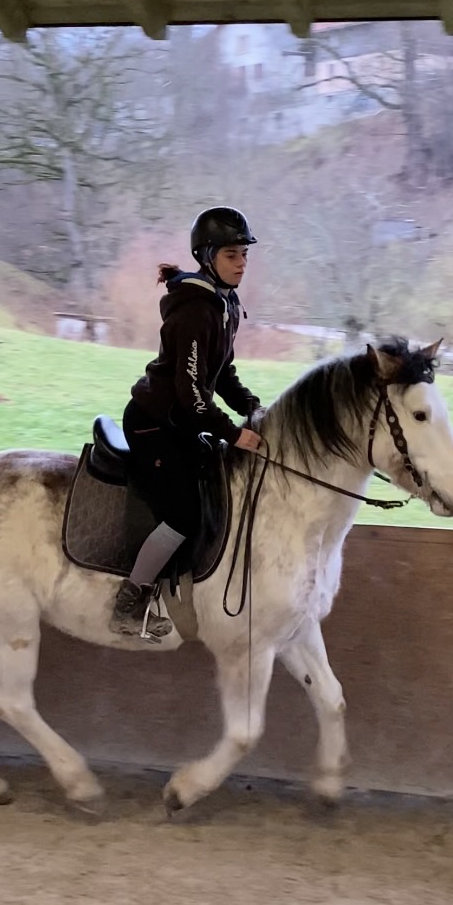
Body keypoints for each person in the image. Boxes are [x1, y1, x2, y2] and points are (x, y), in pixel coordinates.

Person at [110, 206, 265, 641]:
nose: (242, 263)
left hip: (181, 420)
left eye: (244, 255)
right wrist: (234, 434)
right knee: (183, 514)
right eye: (232, 255)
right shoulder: (196, 311)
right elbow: (192, 394)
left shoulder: (224, 305)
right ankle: (130, 602)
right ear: (207, 256)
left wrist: (252, 408)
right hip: (153, 424)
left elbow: (223, 376)